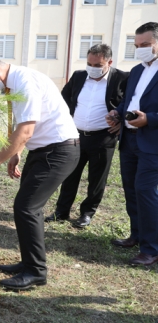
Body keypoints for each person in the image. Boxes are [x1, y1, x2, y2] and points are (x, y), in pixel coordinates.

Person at [0, 54, 80, 290]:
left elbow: (27, 130)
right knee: (28, 208)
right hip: (42, 151)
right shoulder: (11, 85)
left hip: (59, 151)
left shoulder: (25, 81)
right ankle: (29, 263)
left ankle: (36, 272)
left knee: (26, 207)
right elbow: (19, 124)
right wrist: (15, 153)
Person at [46, 44, 129, 228]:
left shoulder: (122, 78)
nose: (92, 68)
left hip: (103, 137)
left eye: (98, 65)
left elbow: (130, 102)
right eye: (89, 63)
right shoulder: (79, 76)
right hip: (75, 136)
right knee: (69, 175)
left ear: (109, 62)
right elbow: (64, 100)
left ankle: (86, 213)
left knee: (96, 179)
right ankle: (62, 211)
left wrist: (122, 121)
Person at [106, 22, 158, 266]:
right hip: (129, 140)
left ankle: (152, 248)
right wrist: (117, 113)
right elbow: (128, 100)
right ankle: (137, 235)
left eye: (146, 45)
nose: (140, 50)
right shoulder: (137, 70)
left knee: (147, 192)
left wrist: (150, 119)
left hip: (152, 143)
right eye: (137, 46)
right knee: (132, 190)